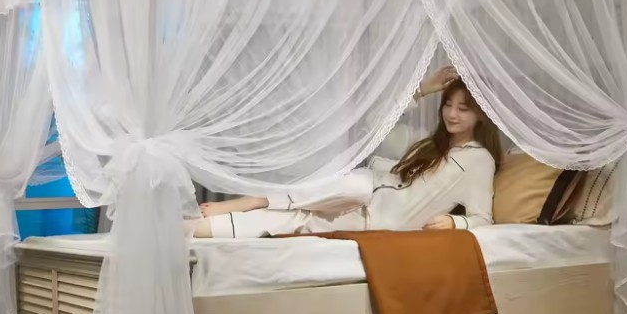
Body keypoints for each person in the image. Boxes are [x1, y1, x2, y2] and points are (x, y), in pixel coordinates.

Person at [187, 67, 501, 239]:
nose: (451, 114)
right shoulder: (429, 146)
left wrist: (456, 223)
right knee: (351, 187)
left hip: (372, 220)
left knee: (299, 219)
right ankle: (208, 220)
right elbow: (376, 123)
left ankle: (223, 216)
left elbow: (482, 218)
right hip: (357, 195)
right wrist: (421, 91)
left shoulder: (479, 160)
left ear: (481, 114)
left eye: (463, 108)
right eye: (448, 105)